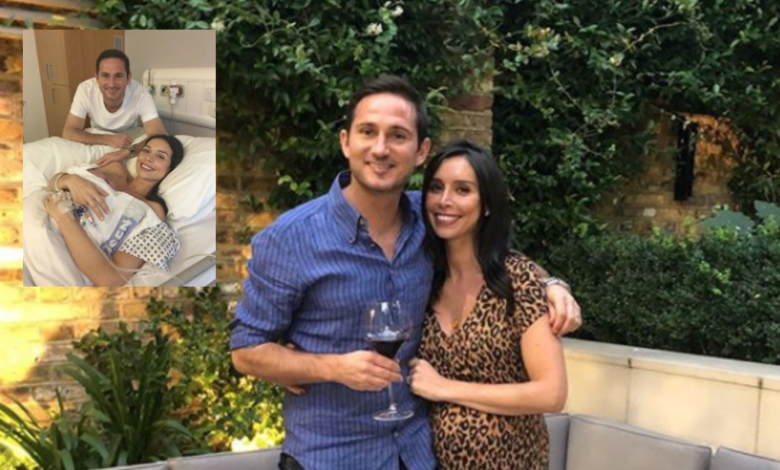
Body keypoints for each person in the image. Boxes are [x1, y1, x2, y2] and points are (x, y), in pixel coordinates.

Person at [229, 76, 580, 470]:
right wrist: (331, 367)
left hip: (416, 455)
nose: (381, 148)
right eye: (368, 132)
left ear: (420, 150)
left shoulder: (430, 216)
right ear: (346, 142)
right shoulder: (291, 238)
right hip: (332, 457)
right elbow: (246, 351)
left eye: (398, 135)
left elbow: (488, 247)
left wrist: (550, 283)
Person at [406, 140, 566, 470]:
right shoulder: (424, 276)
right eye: (436, 188)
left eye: (463, 190)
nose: (445, 200)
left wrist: (445, 388)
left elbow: (551, 394)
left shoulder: (516, 278)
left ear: (488, 204)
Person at [43, 134, 183, 287]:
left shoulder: (152, 209)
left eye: (160, 156)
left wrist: (64, 218)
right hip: (40, 212)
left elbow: (111, 278)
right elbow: (53, 182)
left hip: (58, 238)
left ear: (170, 169)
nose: (149, 158)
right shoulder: (116, 169)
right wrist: (71, 180)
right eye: (146, 151)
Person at [62, 49, 167, 157]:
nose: (111, 84)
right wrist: (107, 139)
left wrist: (130, 151)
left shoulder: (140, 94)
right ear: (97, 78)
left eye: (118, 76)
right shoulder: (85, 90)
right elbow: (69, 131)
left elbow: (160, 134)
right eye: (105, 75)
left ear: (128, 78)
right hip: (97, 134)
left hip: (129, 137)